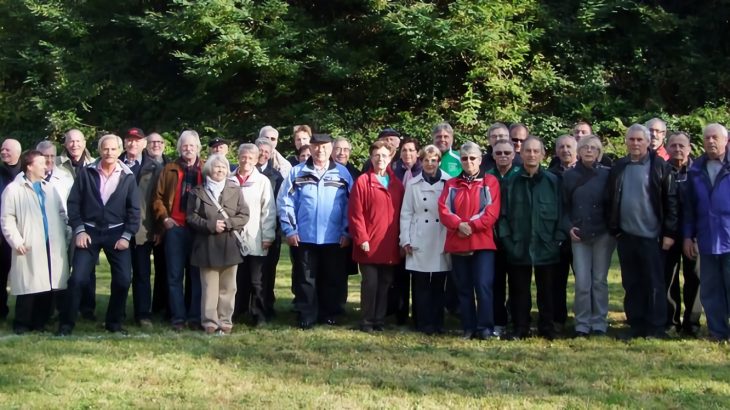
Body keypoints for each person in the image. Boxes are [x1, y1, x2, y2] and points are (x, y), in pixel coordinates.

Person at [58, 134, 141, 335]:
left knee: (123, 280)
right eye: (105, 149)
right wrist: (79, 230)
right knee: (77, 279)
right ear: (99, 150)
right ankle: (66, 324)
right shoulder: (87, 173)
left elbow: (134, 210)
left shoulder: (128, 176)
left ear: (120, 151)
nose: (109, 153)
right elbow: (73, 204)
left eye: (113, 149)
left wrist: (127, 236)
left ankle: (113, 322)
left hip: (117, 233)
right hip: (88, 231)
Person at [608, 124, 678, 339]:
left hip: (653, 237)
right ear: (626, 142)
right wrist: (615, 230)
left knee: (655, 284)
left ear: (648, 142)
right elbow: (610, 198)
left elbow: (671, 202)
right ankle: (636, 325)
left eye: (640, 140)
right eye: (632, 140)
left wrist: (669, 233)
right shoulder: (619, 166)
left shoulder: (660, 167)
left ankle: (656, 327)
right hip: (626, 236)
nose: (635, 143)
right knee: (631, 283)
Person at [279, 134, 353, 329]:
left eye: (324, 147)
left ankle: (329, 314)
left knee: (332, 278)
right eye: (316, 147)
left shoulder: (342, 173)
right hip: (304, 236)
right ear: (310, 148)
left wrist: (347, 232)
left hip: (334, 238)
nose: (320, 150)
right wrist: (290, 230)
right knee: (305, 278)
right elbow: (285, 202)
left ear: (331, 149)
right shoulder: (296, 172)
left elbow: (350, 205)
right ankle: (306, 315)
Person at [498, 137, 566, 340]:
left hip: (547, 245)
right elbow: (502, 216)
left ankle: (547, 327)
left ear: (543, 154)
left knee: (547, 291)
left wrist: (556, 241)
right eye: (528, 151)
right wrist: (508, 243)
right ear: (521, 154)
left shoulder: (553, 181)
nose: (532, 155)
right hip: (519, 245)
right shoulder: (511, 182)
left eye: (536, 151)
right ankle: (520, 328)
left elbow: (562, 214)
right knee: (519, 291)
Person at [1, 150, 69, 334]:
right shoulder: (14, 189)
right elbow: (7, 218)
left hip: (51, 243)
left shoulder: (49, 188)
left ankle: (40, 322)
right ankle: (22, 323)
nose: (46, 166)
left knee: (47, 284)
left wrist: (65, 233)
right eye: (41, 163)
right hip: (28, 243)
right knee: (29, 285)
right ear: (30, 166)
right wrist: (16, 240)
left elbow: (61, 213)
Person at [438, 141, 501, 339]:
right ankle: (468, 327)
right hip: (458, 243)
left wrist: (470, 226)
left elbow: (491, 212)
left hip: (482, 243)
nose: (468, 162)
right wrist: (459, 225)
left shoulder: (489, 182)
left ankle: (485, 328)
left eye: (472, 158)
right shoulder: (451, 184)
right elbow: (443, 210)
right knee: (464, 289)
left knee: (483, 286)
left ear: (480, 160)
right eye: (464, 158)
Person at [187, 153, 249, 335]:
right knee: (209, 287)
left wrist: (228, 224)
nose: (220, 170)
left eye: (223, 167)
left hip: (230, 244)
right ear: (209, 170)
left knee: (229, 287)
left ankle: (225, 321)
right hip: (206, 244)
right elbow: (191, 217)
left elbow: (244, 215)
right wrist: (210, 225)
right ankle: (209, 322)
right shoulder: (197, 192)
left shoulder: (235, 190)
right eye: (217, 167)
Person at [562, 135, 615, 337]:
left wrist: (611, 228)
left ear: (599, 152)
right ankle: (582, 323)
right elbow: (563, 207)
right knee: (583, 282)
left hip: (603, 234)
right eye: (585, 147)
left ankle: (599, 322)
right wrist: (568, 227)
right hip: (579, 235)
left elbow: (613, 204)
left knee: (599, 280)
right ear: (579, 150)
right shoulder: (569, 176)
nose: (589, 151)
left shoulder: (608, 175)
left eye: (593, 148)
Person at [349, 140, 404, 332]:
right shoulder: (362, 182)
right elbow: (356, 214)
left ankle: (379, 320)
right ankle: (366, 320)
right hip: (368, 243)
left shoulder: (397, 184)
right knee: (370, 283)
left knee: (385, 283)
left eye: (384, 156)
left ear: (391, 158)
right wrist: (361, 238)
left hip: (389, 244)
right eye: (376, 155)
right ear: (371, 158)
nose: (380, 159)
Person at [152, 130, 204, 331]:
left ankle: (195, 317)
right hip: (176, 228)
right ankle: (178, 318)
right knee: (174, 276)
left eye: (192, 145)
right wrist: (165, 219)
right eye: (184, 145)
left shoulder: (206, 168)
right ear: (179, 147)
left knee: (196, 276)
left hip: (198, 230)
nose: (188, 149)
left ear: (198, 147)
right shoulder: (169, 169)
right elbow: (157, 198)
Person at [683, 123, 730, 342]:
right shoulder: (695, 170)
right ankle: (717, 331)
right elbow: (689, 208)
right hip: (707, 239)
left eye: (715, 138)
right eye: (707, 138)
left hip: (729, 237)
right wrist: (688, 236)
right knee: (710, 290)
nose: (711, 141)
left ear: (725, 140)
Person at [400, 145, 451, 335]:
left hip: (441, 235)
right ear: (420, 162)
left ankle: (438, 323)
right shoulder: (413, 184)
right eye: (426, 160)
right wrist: (405, 239)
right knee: (420, 284)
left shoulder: (449, 182)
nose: (430, 164)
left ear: (439, 161)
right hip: (419, 236)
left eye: (434, 160)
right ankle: (421, 323)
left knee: (438, 284)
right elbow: (406, 213)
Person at [230, 143, 276, 325]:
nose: (246, 161)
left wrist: (268, 236)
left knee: (256, 280)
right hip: (233, 238)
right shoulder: (229, 179)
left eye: (250, 158)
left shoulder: (262, 181)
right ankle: (236, 311)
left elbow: (269, 210)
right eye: (243, 157)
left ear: (256, 160)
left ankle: (258, 315)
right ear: (238, 157)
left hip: (256, 237)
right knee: (236, 278)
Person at [56, 129, 97, 321]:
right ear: (65, 144)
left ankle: (87, 307)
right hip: (63, 221)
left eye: (78, 141)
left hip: (88, 224)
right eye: (71, 141)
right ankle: (62, 307)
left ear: (84, 142)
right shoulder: (56, 164)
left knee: (88, 268)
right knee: (62, 267)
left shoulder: (95, 164)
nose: (74, 145)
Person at [663, 131, 701, 335]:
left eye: (682, 145)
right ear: (667, 148)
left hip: (693, 234)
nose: (678, 149)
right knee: (668, 278)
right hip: (668, 234)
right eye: (673, 145)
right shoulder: (661, 170)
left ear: (689, 148)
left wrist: (694, 236)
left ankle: (692, 323)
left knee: (694, 278)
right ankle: (671, 322)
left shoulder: (698, 171)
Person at [486, 139, 521, 336]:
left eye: (507, 152)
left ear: (514, 154)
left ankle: (517, 322)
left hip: (516, 236)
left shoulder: (520, 174)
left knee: (517, 283)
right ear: (492, 155)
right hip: (493, 237)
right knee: (496, 283)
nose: (503, 156)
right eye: (498, 153)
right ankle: (498, 322)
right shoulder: (487, 176)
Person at [388, 137, 422, 325]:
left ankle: (418, 314)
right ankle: (400, 314)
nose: (407, 154)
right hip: (397, 227)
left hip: (418, 229)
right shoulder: (394, 171)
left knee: (417, 275)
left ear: (418, 153)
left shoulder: (422, 171)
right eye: (404, 150)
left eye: (411, 150)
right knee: (399, 276)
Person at [547, 135, 578, 333]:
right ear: (556, 151)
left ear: (576, 149)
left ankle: (584, 320)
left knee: (584, 280)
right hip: (557, 235)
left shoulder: (586, 172)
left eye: (569, 146)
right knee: (556, 281)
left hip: (581, 234)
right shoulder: (550, 175)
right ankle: (558, 319)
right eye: (561, 147)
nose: (565, 150)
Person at [254, 137, 284, 317]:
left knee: (268, 271)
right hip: (249, 229)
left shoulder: (277, 177)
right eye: (261, 150)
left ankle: (267, 306)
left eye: (267, 151)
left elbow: (279, 205)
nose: (263, 154)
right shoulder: (242, 172)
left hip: (270, 229)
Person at [145, 132, 172, 319]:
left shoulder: (170, 165)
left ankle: (162, 306)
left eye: (159, 142)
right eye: (152, 142)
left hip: (166, 225)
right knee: (143, 271)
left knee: (165, 268)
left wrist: (161, 226)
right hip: (145, 225)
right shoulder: (141, 165)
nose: (156, 145)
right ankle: (145, 309)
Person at [0, 138, 23, 320]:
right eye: (2, 150)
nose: (4, 152)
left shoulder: (26, 172)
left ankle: (26, 314)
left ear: (17, 152)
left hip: (22, 232)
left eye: (8, 150)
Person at [36, 141, 74, 207]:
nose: (49, 160)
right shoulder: (26, 178)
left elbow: (73, 204)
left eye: (52, 156)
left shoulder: (66, 178)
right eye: (46, 156)